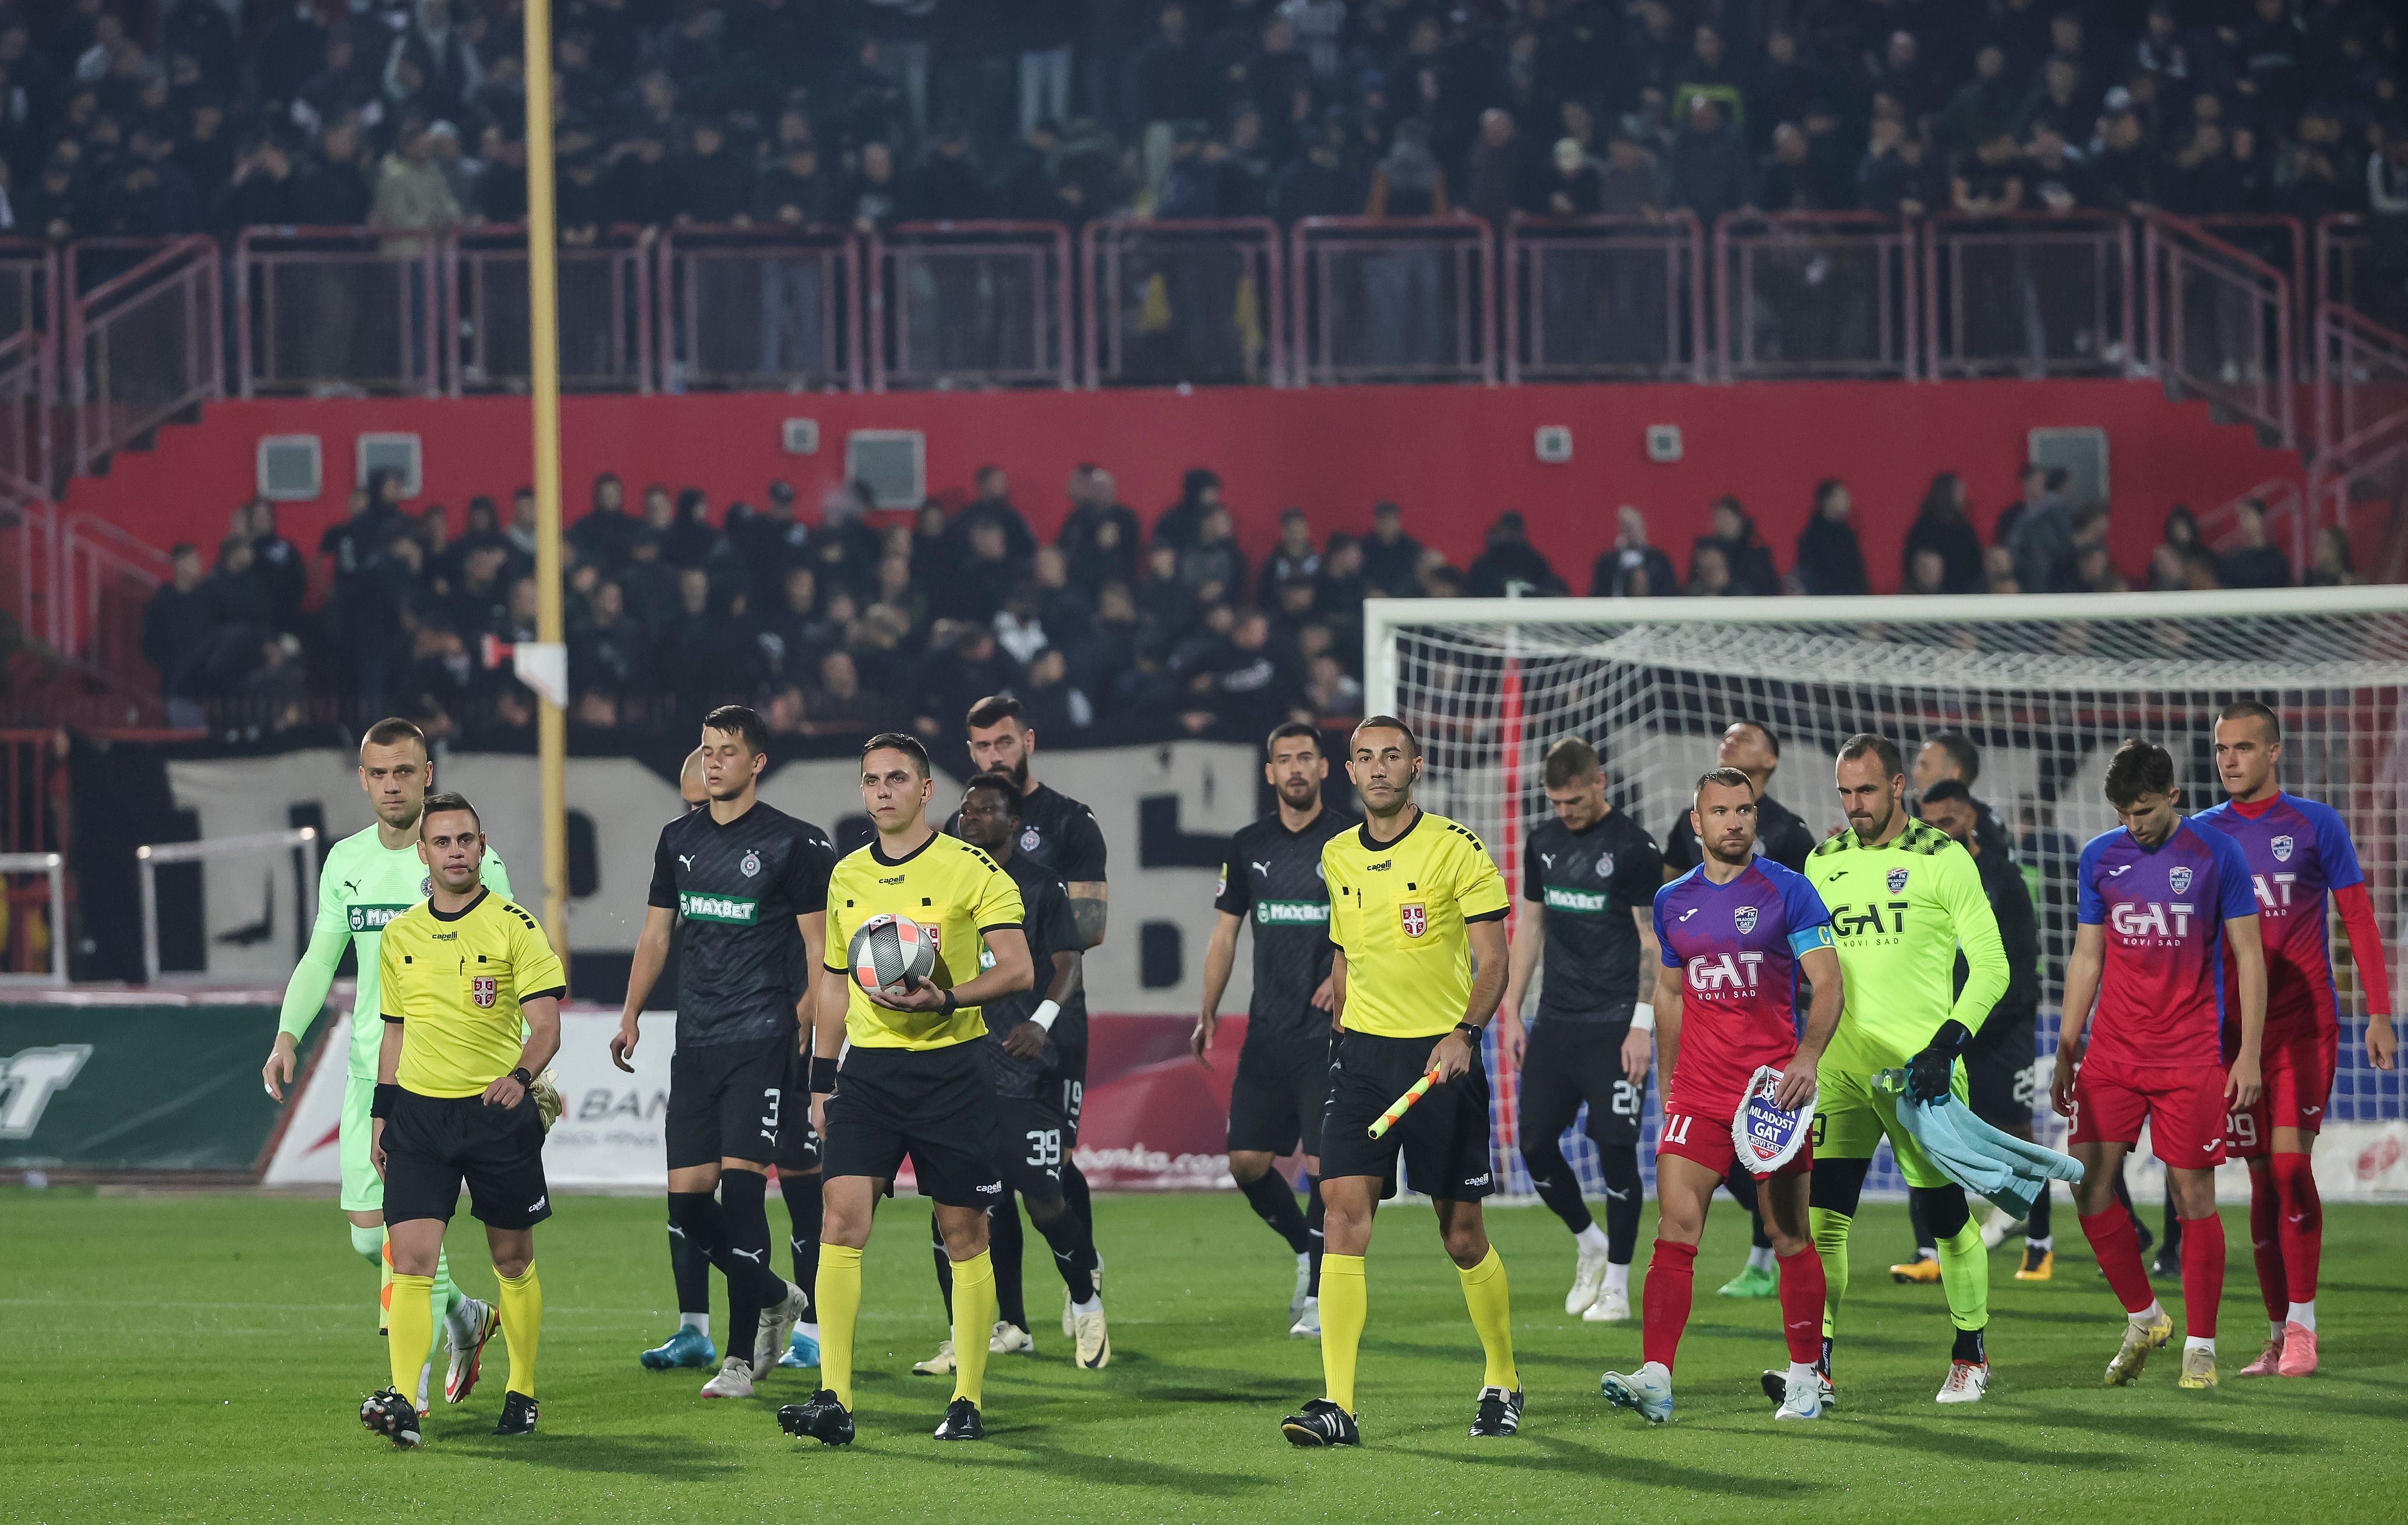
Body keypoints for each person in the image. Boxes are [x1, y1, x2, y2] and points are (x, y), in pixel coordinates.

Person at [779, 733, 1033, 1446]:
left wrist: (946, 999)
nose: (882, 790)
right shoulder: (847, 875)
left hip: (954, 1070)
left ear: (926, 791)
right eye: (870, 780)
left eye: (897, 778)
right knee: (840, 1220)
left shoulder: (970, 868)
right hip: (870, 1073)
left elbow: (1017, 967)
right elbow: (832, 982)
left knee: (963, 1232)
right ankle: (834, 1396)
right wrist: (822, 1079)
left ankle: (968, 1397)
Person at [1280, 716, 1519, 1448]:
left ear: (1417, 764)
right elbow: (1348, 950)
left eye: (1392, 756)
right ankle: (1339, 1405)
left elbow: (1495, 959)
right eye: (1366, 758)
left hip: (1441, 1061)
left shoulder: (1457, 848)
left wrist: (1465, 1034)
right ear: (1348, 771)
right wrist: (1343, 1025)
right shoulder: (1336, 854)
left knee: (1461, 1233)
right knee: (1342, 1214)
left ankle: (1502, 1378)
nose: (1379, 768)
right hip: (1362, 1062)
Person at [262, 718, 509, 1417]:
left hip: (447, 1077)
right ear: (363, 778)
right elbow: (320, 956)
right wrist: (287, 1034)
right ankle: (466, 1316)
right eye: (380, 773)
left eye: (405, 771)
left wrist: (520, 1064)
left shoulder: (467, 858)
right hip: (374, 1069)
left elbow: (513, 959)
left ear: (428, 773)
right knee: (371, 1237)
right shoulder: (346, 860)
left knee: (410, 1243)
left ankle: (411, 1389)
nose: (393, 784)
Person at [1598, 767, 1842, 1425]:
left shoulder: (1791, 891)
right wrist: (1673, 1090)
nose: (1735, 821)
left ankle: (1803, 1375)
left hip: (1771, 1098)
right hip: (1700, 1094)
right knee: (1674, 1230)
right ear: (1696, 822)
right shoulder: (1673, 900)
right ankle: (1656, 1374)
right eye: (1721, 811)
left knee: (1788, 1234)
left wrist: (1808, 1057)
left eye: (1745, 809)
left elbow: (1828, 984)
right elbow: (1671, 993)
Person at [609, 705, 834, 1400]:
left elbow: (821, 951)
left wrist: (806, 1021)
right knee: (687, 1207)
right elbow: (655, 937)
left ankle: (737, 1359)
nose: (713, 761)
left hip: (761, 1040)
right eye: (707, 749)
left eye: (727, 751)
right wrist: (631, 1013)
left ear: (757, 762)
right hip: (695, 1041)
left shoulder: (795, 843)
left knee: (741, 1194)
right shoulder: (677, 838)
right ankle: (776, 1296)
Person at [2054, 738, 2266, 1391]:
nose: (2132, 824)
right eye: (2122, 812)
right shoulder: (2101, 857)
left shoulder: (2216, 854)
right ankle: (2145, 1315)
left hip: (2188, 1054)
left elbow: (2249, 956)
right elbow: (2088, 957)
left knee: (2192, 1195)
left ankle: (2200, 1347)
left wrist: (2249, 1052)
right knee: (2087, 1184)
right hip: (2113, 1052)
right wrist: (2068, 1046)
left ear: (2173, 796)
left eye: (2143, 810)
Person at [1804, 734, 2009, 1406]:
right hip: (1841, 1070)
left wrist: (1947, 1044)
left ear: (1898, 786)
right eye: (1844, 792)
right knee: (1824, 1221)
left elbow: (1992, 964)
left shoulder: (1942, 857)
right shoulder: (1822, 860)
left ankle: (1970, 1353)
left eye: (1866, 790)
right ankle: (1817, 1363)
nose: (1854, 804)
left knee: (1946, 1215)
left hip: (1922, 1070)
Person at [2196, 702, 2394, 1378]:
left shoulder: (2314, 823)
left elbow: (2358, 915)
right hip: (2231, 1033)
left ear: (2274, 752)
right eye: (2221, 748)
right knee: (2256, 1179)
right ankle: (2276, 1333)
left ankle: (2305, 1328)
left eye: (2243, 747)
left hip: (2304, 1024)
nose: (2229, 759)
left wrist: (2379, 1011)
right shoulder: (2199, 835)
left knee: (2287, 1167)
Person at [359, 792, 564, 1447]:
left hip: (495, 1112)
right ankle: (403, 1405)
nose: (454, 851)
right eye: (442, 841)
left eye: (465, 840)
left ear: (482, 847)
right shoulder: (401, 935)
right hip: (418, 1116)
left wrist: (521, 1078)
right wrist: (380, 1115)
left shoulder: (515, 925)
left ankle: (523, 1388)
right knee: (411, 1260)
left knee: (511, 1258)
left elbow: (547, 1025)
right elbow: (393, 1033)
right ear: (423, 853)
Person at [919, 772, 1107, 1371]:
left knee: (1042, 1195)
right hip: (962, 1060)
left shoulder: (1041, 886)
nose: (970, 815)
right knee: (953, 1204)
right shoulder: (945, 884)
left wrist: (1043, 1022)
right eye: (966, 807)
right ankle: (973, 1333)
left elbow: (1068, 962)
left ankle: (1084, 1297)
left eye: (986, 808)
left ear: (1014, 824)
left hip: (1027, 1061)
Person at [1496, 737, 1665, 1325]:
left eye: (1574, 799)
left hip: (1617, 1023)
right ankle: (1589, 1241)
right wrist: (1513, 1010)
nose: (1566, 811)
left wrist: (1642, 1025)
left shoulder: (1635, 848)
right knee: (1535, 1146)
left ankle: (1617, 1282)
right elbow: (1530, 928)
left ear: (1599, 782)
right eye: (1557, 801)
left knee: (1617, 1153)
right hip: (1557, 1021)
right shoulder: (1541, 842)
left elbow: (1652, 941)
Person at [958, 694, 1110, 1341]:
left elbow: (1088, 932)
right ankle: (1011, 1319)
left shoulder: (1071, 823)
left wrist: (1029, 986)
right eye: (983, 746)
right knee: (991, 1166)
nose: (995, 755)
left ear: (1029, 741)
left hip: (1054, 1025)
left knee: (1052, 1169)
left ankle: (1084, 1279)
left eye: (1004, 743)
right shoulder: (961, 827)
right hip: (983, 1028)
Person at [1195, 722, 1350, 1336]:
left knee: (1322, 1166)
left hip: (1328, 1034)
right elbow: (1225, 933)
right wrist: (1207, 1008)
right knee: (1247, 1163)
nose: (1294, 769)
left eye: (1304, 758)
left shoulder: (1348, 839)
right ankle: (1304, 1250)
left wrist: (1347, 975)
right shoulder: (1247, 844)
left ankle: (1317, 1295)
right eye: (1283, 759)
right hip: (1267, 1030)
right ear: (1269, 772)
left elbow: (1375, 922)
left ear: (1323, 767)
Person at [1668, 719, 1816, 1297]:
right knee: (1703, 1184)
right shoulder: (1683, 859)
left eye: (1745, 736)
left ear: (1772, 761)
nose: (1730, 739)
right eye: (1726, 736)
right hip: (1708, 1032)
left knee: (1783, 1182)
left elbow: (1813, 920)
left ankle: (1803, 1338)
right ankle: (1659, 1367)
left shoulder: (1791, 835)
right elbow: (1670, 913)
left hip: (1776, 1017)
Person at [1916, 781, 2052, 1279]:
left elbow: (2017, 964)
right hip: (1943, 1031)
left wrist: (1974, 1022)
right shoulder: (1918, 875)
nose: (1937, 834)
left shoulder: (2003, 879)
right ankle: (1929, 1251)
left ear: (1970, 819)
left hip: (2000, 1031)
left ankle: (2039, 1239)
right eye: (1928, 825)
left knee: (2015, 1133)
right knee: (1924, 1128)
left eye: (1947, 823)